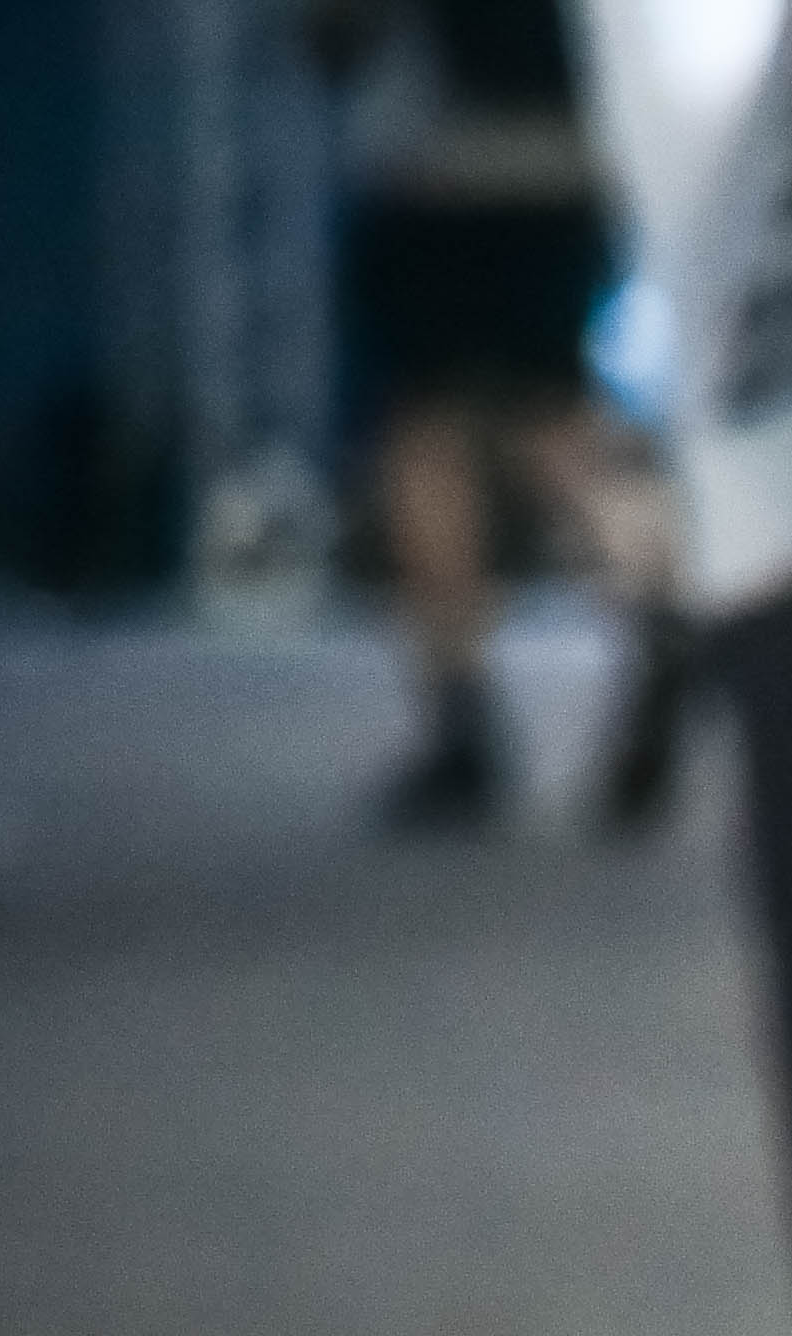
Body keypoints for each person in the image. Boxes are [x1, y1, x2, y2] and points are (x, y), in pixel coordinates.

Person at [316, 0, 691, 838]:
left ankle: (461, 719)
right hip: (571, 163)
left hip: (434, 169)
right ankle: (656, 601)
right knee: (554, 416)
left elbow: (335, 36)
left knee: (426, 433)